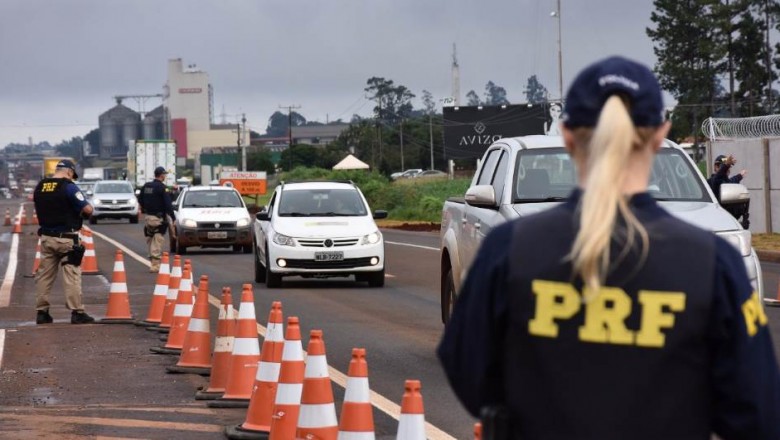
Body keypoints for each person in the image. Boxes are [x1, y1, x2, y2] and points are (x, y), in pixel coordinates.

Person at [437, 56, 780, 440]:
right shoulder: (713, 263)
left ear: (567, 137)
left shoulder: (509, 247)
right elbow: (757, 410)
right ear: (659, 133)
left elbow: (465, 364)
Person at [33, 159, 95, 324]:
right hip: (67, 239)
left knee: (44, 276)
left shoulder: (41, 186)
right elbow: (88, 209)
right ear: (69, 171)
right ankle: (77, 312)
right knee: (72, 275)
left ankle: (42, 312)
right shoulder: (69, 186)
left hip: (46, 238)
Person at [138, 166, 175, 272]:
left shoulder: (146, 186)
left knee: (150, 239)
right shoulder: (162, 188)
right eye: (164, 174)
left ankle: (151, 261)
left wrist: (146, 208)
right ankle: (155, 265)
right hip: (159, 218)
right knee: (158, 240)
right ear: (161, 175)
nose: (165, 176)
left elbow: (140, 199)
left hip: (148, 217)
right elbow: (168, 204)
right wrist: (173, 217)